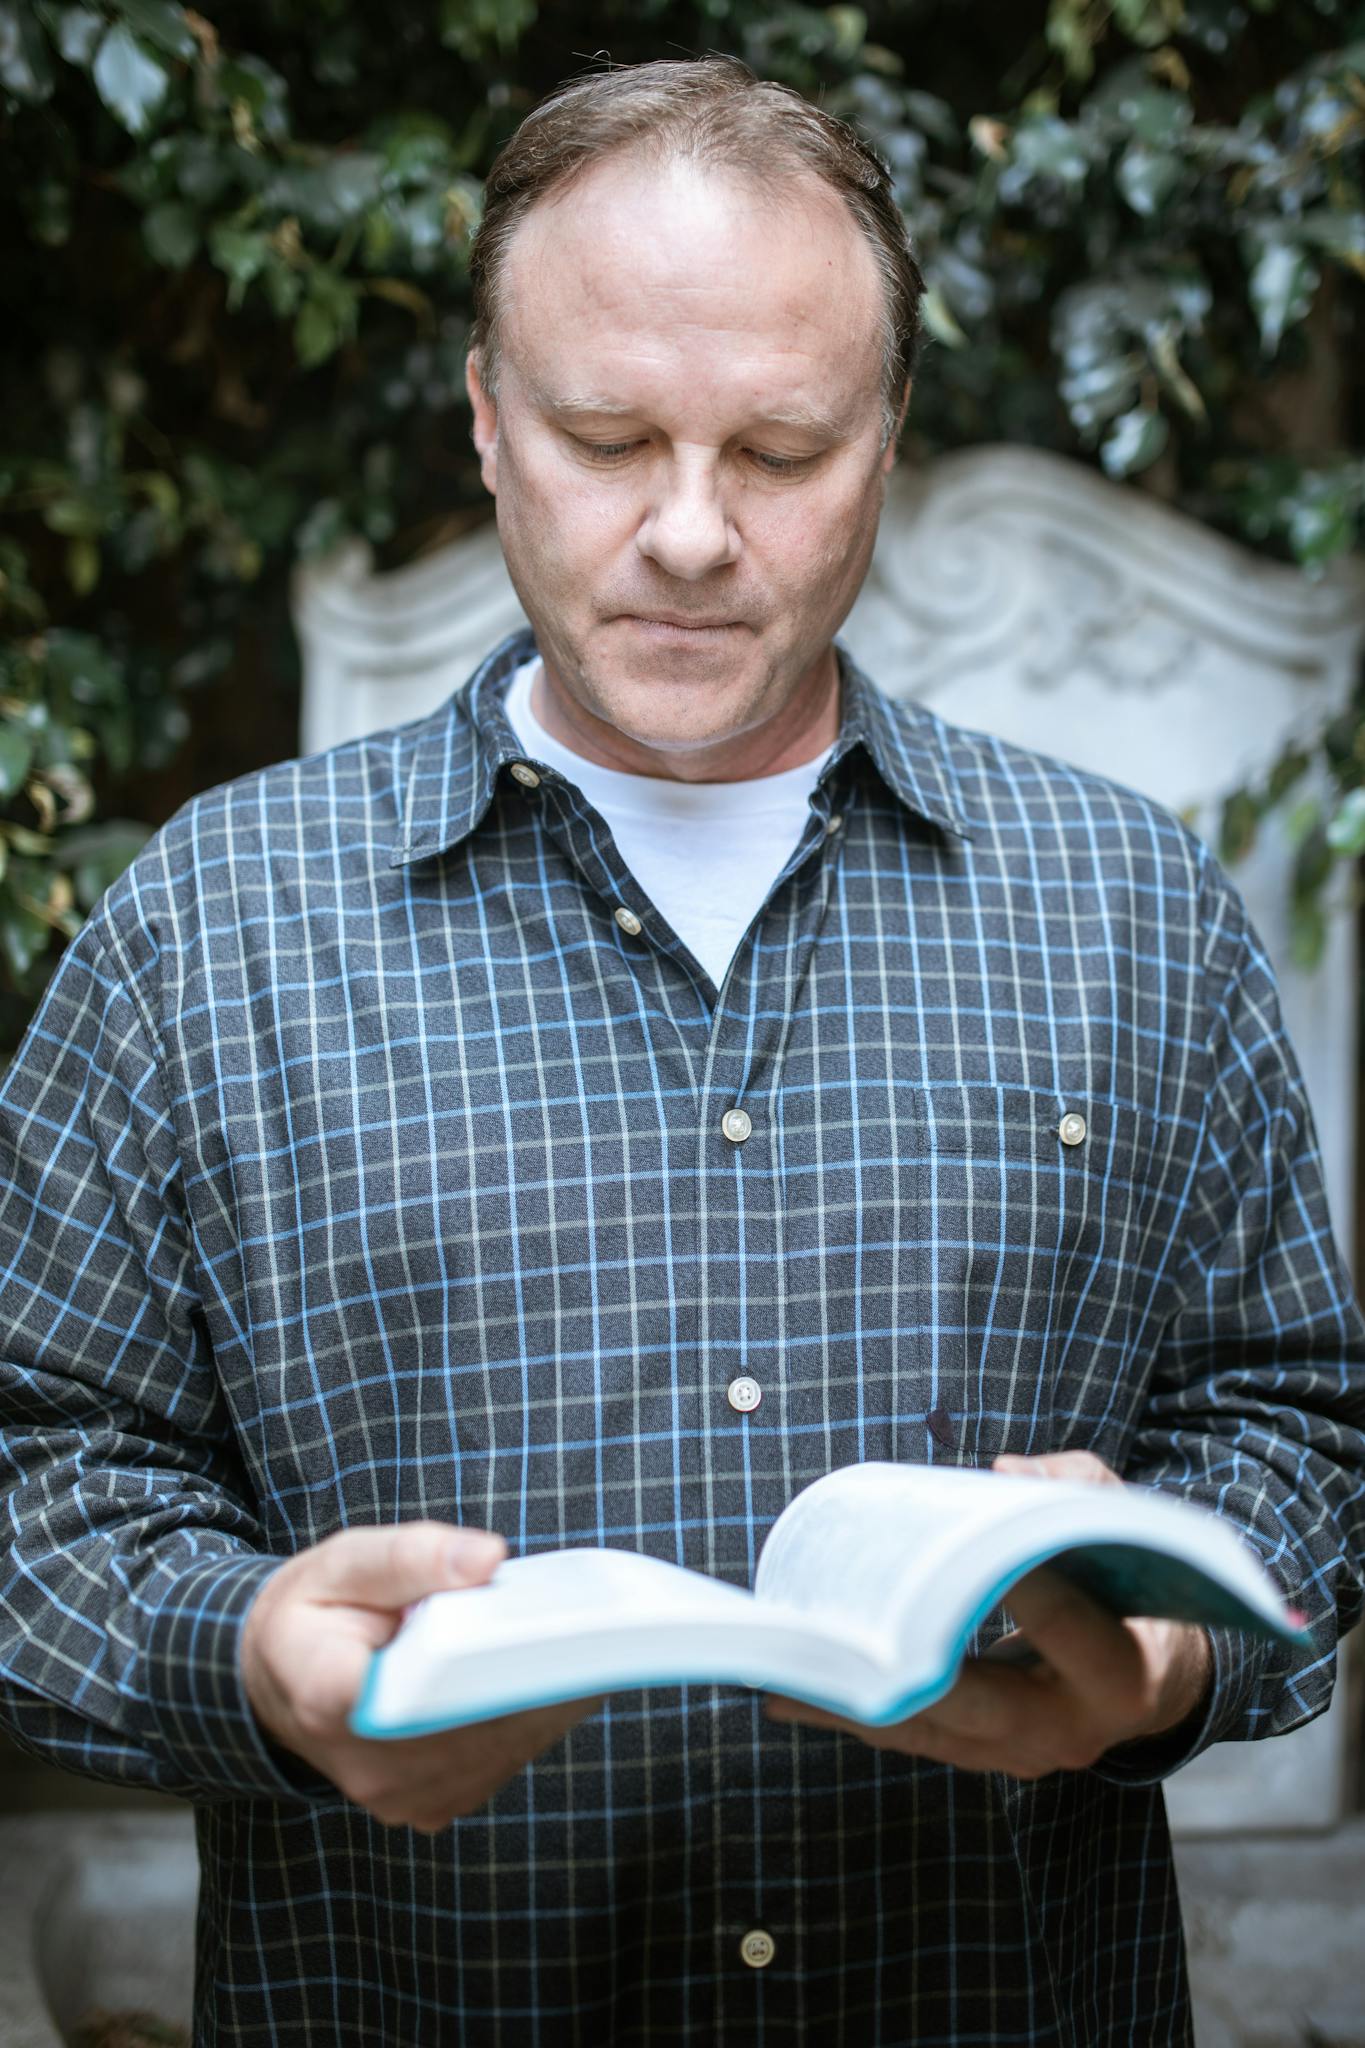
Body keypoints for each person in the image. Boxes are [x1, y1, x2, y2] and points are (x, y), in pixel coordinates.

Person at [1, 52, 1362, 2048]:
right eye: (606, 436)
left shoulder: (1127, 909)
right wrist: (247, 1655)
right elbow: (35, 1466)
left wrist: (1167, 1651)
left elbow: (1299, 1427)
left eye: (783, 447)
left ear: (887, 439)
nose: (691, 534)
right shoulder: (209, 926)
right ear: (483, 421)